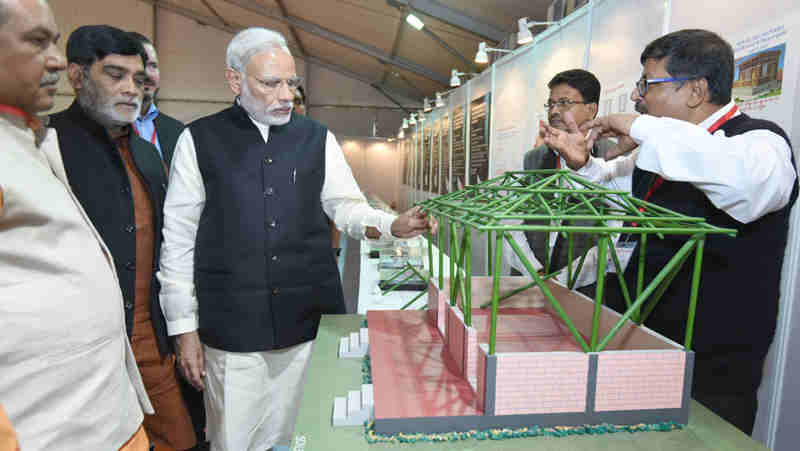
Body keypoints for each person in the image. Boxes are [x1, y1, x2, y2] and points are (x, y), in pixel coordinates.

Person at [158, 27, 436, 451]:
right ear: (235, 81)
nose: (285, 95)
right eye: (271, 84)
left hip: (307, 323)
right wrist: (184, 329)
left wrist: (391, 224)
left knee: (309, 434)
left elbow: (346, 206)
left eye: (291, 82)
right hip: (233, 331)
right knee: (235, 438)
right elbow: (178, 240)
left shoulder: (316, 138)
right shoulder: (199, 141)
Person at [541, 29, 797, 434]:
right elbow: (613, 198)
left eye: (648, 84)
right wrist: (582, 165)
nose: (637, 96)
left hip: (713, 366)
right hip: (644, 344)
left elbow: (747, 189)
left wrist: (641, 126)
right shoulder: (661, 151)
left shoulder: (759, 143)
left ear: (695, 90)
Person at [0, 2, 152, 450]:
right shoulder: (44, 139)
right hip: (46, 427)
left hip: (103, 412)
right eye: (36, 41)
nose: (53, 59)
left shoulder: (25, 139)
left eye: (54, 42)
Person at [49, 25, 196, 450]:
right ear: (77, 76)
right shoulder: (45, 144)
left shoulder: (149, 155)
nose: (131, 89)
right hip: (80, 353)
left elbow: (173, 247)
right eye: (115, 75)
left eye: (138, 79)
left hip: (151, 343)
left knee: (181, 441)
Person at [505, 69, 627, 295]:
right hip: (532, 281)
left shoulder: (614, 159)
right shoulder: (534, 158)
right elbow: (512, 221)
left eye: (564, 103)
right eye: (550, 104)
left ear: (591, 109)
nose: (554, 111)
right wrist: (535, 271)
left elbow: (616, 234)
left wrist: (564, 280)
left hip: (586, 287)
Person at [127, 31, 185, 169]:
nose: (148, 74)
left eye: (153, 65)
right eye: (141, 65)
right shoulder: (106, 129)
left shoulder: (178, 131)